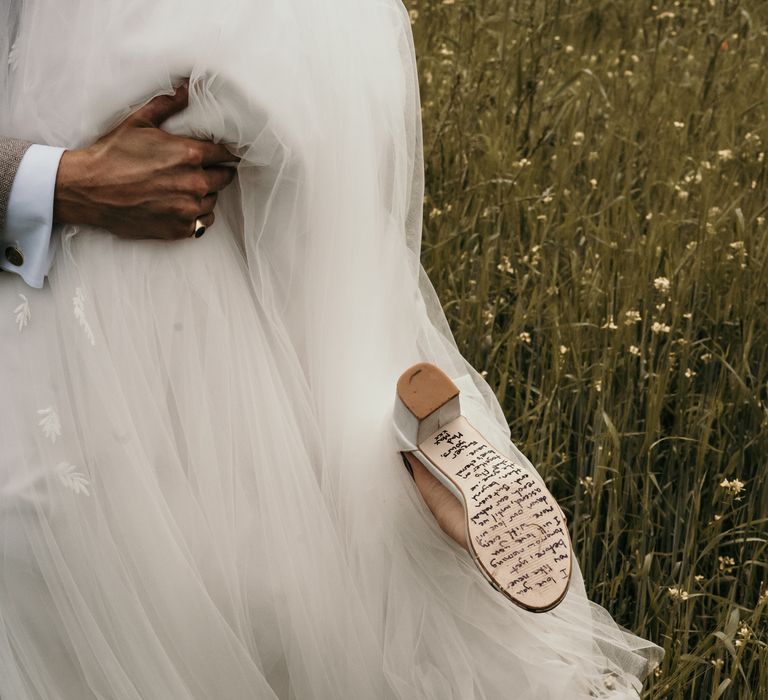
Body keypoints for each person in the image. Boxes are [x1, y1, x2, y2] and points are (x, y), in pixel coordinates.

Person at [0, 1, 663, 698]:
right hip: (65, 341)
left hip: (195, 357)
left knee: (235, 599)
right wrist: (57, 182)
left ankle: (404, 468)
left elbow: (319, 197)